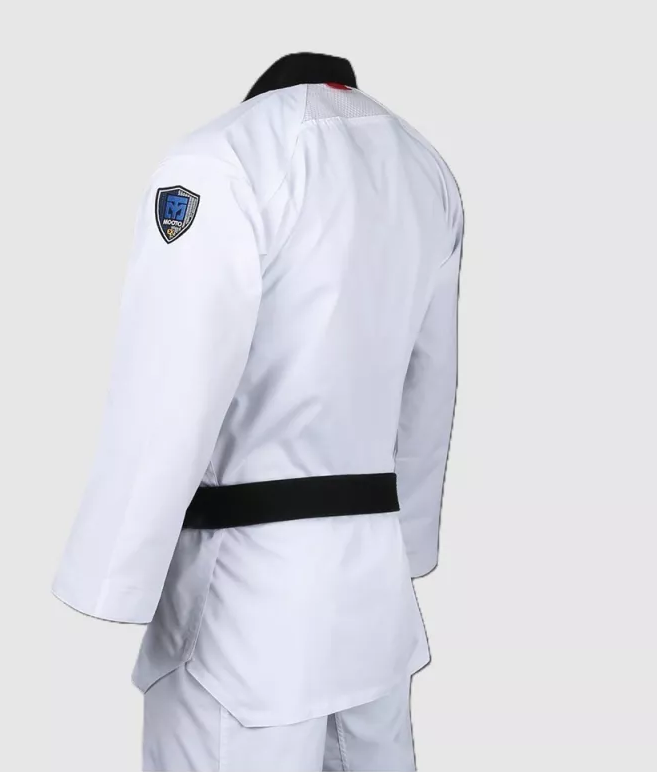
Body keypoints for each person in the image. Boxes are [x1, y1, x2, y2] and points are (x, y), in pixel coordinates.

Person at [53, 52, 464, 775]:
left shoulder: (222, 162)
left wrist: (112, 572)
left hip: (245, 606)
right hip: (373, 594)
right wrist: (411, 543)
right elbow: (431, 382)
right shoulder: (424, 170)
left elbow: (171, 381)